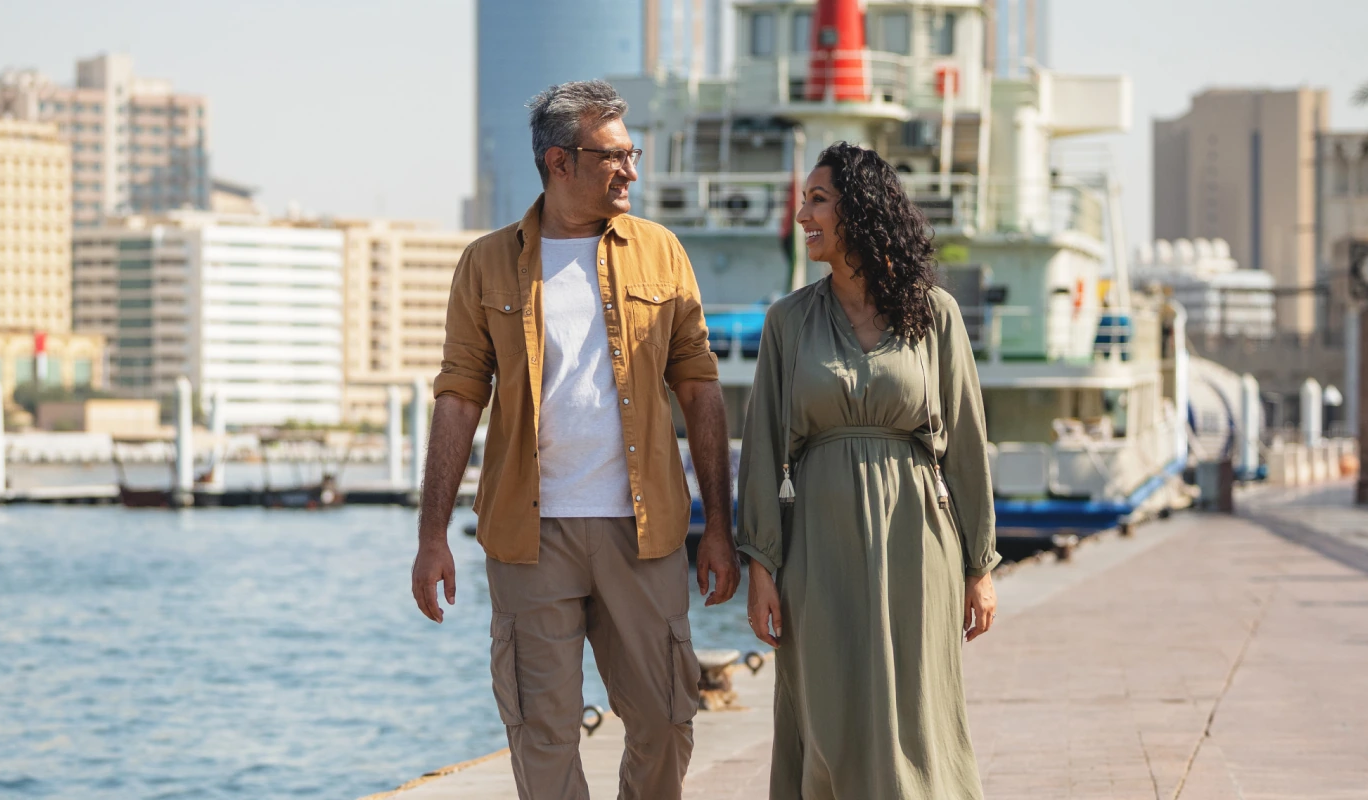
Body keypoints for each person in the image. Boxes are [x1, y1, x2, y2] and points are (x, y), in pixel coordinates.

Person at [410, 80, 740, 799]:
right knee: (541, 731)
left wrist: (718, 526)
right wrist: (432, 534)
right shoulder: (487, 263)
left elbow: (699, 389)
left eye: (633, 153)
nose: (631, 170)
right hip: (529, 538)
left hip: (644, 531)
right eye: (614, 155)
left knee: (665, 720)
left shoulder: (661, 253)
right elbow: (460, 397)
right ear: (560, 162)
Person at [736, 142, 998, 799]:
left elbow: (965, 443)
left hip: (917, 543)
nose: (803, 215)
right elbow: (763, 447)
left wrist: (980, 566)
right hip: (818, 551)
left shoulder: (934, 315)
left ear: (861, 209)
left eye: (818, 200)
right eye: (805, 201)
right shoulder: (787, 321)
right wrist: (760, 568)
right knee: (828, 717)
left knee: (916, 715)